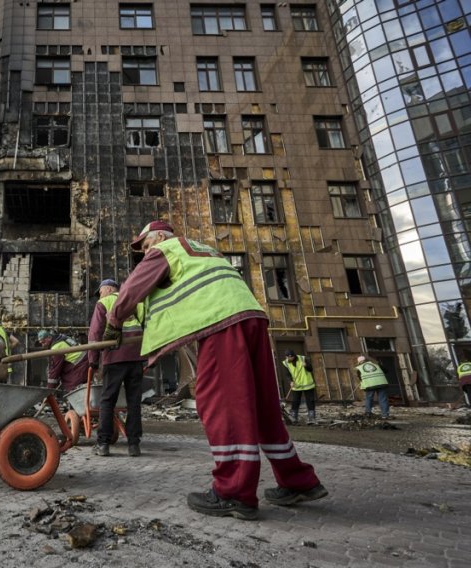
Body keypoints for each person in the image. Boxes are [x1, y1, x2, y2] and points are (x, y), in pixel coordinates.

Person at [103, 220, 326, 520]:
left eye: (144, 245)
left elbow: (131, 290)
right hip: (251, 317)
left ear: (158, 236)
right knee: (261, 407)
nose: (144, 253)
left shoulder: (165, 249)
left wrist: (114, 321)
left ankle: (234, 491)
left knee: (222, 405)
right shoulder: (202, 250)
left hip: (222, 323)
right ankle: (297, 479)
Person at [88, 278, 146, 457]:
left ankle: (103, 444)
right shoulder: (134, 299)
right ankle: (134, 445)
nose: (100, 294)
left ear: (108, 289)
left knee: (107, 401)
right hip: (135, 356)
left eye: (100, 291)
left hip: (114, 358)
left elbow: (95, 333)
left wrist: (93, 360)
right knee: (134, 402)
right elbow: (147, 326)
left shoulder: (104, 303)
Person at [37, 329, 89, 393]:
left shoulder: (56, 347)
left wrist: (49, 389)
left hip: (79, 367)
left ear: (49, 337)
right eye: (41, 343)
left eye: (44, 342)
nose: (43, 345)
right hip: (85, 362)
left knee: (73, 387)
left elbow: (55, 370)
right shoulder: (61, 338)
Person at [281, 350, 317, 425]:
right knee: (295, 401)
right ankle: (294, 417)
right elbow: (287, 374)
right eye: (287, 357)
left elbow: (311, 369)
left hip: (307, 384)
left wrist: (306, 366)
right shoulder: (286, 363)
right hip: (296, 385)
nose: (288, 359)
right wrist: (290, 381)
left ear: (293, 356)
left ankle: (312, 418)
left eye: (289, 357)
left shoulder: (304, 359)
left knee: (310, 401)